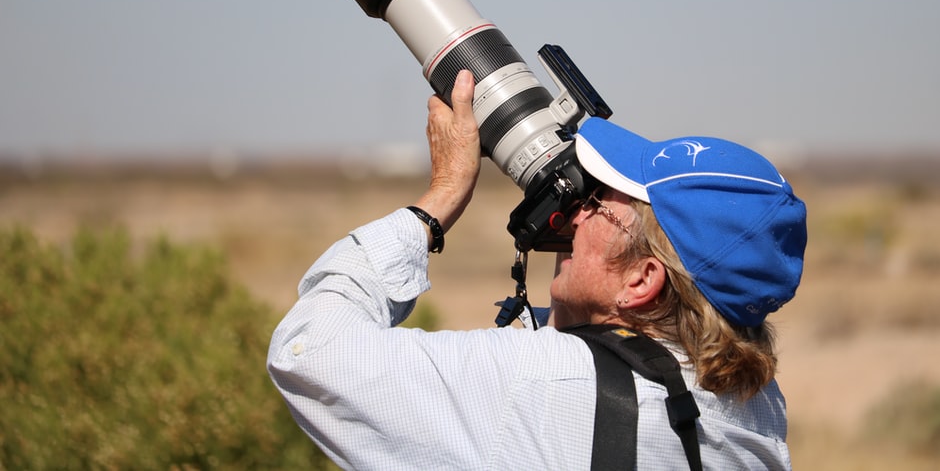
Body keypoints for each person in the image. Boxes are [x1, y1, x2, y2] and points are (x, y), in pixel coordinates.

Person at [267, 70, 807, 470]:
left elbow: (309, 352)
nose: (574, 214)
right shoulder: (753, 404)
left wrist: (436, 203)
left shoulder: (543, 383)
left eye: (596, 204)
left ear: (642, 280)